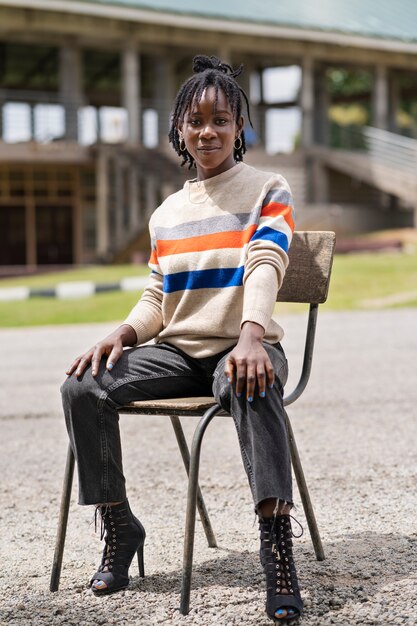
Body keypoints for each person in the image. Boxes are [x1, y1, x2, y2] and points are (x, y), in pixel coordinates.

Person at [62, 54, 303, 624]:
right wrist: (121, 333)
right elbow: (156, 298)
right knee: (81, 387)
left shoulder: (269, 187)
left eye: (222, 119)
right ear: (179, 129)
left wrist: (250, 336)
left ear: (240, 127)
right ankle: (121, 528)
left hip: (244, 345)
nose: (208, 130)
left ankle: (277, 548)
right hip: (178, 352)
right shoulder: (167, 213)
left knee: (252, 377)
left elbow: (266, 261)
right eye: (196, 120)